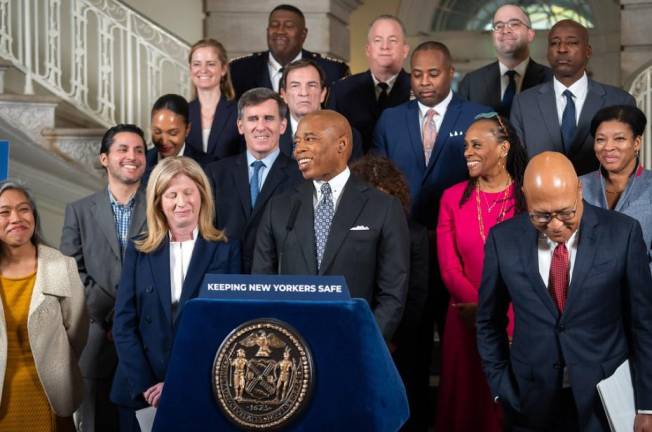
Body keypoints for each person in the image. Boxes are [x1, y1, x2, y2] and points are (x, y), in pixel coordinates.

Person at [476, 152, 652, 431]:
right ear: (525, 197)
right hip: (529, 399)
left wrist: (647, 404)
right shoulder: (502, 239)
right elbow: (488, 321)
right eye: (542, 216)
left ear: (579, 189)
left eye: (566, 213)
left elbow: (644, 323)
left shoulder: (623, 233)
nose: (556, 225)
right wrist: (501, 386)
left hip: (604, 396)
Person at [373, 41, 489, 429]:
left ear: (451, 71)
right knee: (412, 344)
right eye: (417, 74)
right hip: (404, 243)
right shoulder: (391, 119)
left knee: (464, 344)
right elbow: (379, 179)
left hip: (460, 243)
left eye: (433, 74)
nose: (424, 82)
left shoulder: (477, 115)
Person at [252, 110, 410, 340]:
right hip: (290, 345)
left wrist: (368, 340)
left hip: (355, 340)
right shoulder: (279, 207)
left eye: (310, 139)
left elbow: (393, 292)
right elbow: (261, 283)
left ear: (342, 144)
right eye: (296, 142)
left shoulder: (383, 207)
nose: (299, 149)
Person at [110, 157, 240, 431]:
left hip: (200, 386)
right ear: (159, 202)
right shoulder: (139, 251)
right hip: (140, 391)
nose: (181, 202)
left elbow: (226, 327)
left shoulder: (226, 250)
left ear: (202, 195)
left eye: (188, 192)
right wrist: (147, 385)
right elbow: (123, 324)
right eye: (172, 195)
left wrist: (181, 381)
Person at [435, 113, 527, 432]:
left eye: (476, 145)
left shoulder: (527, 198)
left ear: (503, 149)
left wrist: (504, 320)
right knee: (466, 407)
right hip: (464, 317)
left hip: (520, 320)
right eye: (465, 146)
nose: (467, 152)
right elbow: (448, 267)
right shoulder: (451, 197)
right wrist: (486, 314)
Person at [60, 124, 148, 432]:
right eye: (122, 149)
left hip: (146, 340)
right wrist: (113, 316)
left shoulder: (161, 207)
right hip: (96, 338)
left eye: (139, 150)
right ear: (104, 159)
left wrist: (129, 318)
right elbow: (71, 274)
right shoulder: (79, 211)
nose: (132, 156)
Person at [0, 180, 88, 431]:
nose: (16, 217)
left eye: (24, 209)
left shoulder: (62, 266)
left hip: (51, 396)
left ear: (34, 216)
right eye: (4, 212)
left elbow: (77, 333)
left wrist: (58, 362)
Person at [350, 155, 428, 431]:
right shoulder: (346, 234)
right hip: (356, 339)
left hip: (401, 344)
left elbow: (416, 298)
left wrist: (388, 336)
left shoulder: (415, 235)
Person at [510, 19, 635, 176]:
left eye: (572, 42)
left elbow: (628, 165)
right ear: (548, 52)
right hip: (539, 198)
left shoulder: (620, 101)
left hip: (603, 199)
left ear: (588, 51)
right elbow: (517, 165)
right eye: (555, 43)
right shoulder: (524, 103)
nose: (562, 49)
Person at [205, 88, 302, 273]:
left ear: (283, 125)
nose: (260, 126)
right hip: (227, 281)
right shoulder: (215, 173)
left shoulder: (300, 176)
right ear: (240, 126)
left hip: (278, 282)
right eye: (252, 119)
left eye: (268, 118)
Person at [580, 105, 652, 273]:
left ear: (636, 143)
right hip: (586, 293)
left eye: (619, 139)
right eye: (600, 139)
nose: (608, 147)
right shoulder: (577, 186)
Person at [327, 15, 412, 152]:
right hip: (355, 171)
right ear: (368, 49)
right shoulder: (343, 90)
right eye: (378, 40)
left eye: (393, 40)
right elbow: (330, 141)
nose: (385, 47)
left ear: (405, 50)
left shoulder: (419, 89)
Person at [229, 4, 349, 98]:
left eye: (289, 26)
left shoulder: (333, 71)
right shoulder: (238, 70)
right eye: (274, 25)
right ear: (267, 31)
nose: (280, 31)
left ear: (303, 34)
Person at [458, 4, 551, 117]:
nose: (505, 30)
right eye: (499, 26)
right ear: (493, 36)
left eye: (514, 24)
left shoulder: (552, 80)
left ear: (530, 34)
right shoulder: (471, 83)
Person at [279, 59, 363, 160]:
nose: (304, 93)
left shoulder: (347, 136)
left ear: (323, 94)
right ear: (284, 95)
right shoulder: (270, 134)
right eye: (295, 86)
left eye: (312, 85)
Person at [186, 38, 243, 160]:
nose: (203, 70)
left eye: (210, 64)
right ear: (190, 69)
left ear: (223, 69)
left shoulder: (240, 111)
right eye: (197, 64)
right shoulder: (183, 112)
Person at [144, 93, 212, 184]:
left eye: (173, 133)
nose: (164, 140)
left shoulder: (208, 166)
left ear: (187, 129)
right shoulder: (142, 162)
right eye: (157, 132)